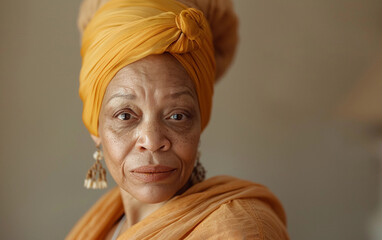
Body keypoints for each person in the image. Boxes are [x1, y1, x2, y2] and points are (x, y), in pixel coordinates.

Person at [67, 0, 290, 239]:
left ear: (199, 123)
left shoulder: (238, 230)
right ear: (95, 126)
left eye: (177, 115)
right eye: (125, 115)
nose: (152, 141)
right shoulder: (103, 225)